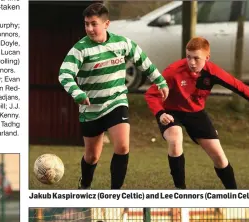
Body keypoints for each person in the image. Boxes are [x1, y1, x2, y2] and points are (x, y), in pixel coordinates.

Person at [58, 2, 168, 189]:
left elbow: (143, 60)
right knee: (92, 156)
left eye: (94, 24)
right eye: (86, 24)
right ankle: (84, 186)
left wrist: (160, 81)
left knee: (123, 146)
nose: (90, 28)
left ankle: (115, 191)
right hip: (91, 109)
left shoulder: (122, 43)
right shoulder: (80, 49)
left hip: (116, 101)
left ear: (106, 24)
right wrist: (77, 93)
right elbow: (64, 74)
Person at [145, 37, 249, 189]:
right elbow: (151, 94)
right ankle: (180, 192)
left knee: (219, 157)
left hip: (196, 113)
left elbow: (239, 87)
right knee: (175, 138)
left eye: (196, 58)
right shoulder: (173, 71)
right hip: (170, 112)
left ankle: (234, 195)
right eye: (188, 57)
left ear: (207, 58)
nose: (191, 62)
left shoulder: (212, 71)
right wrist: (160, 113)